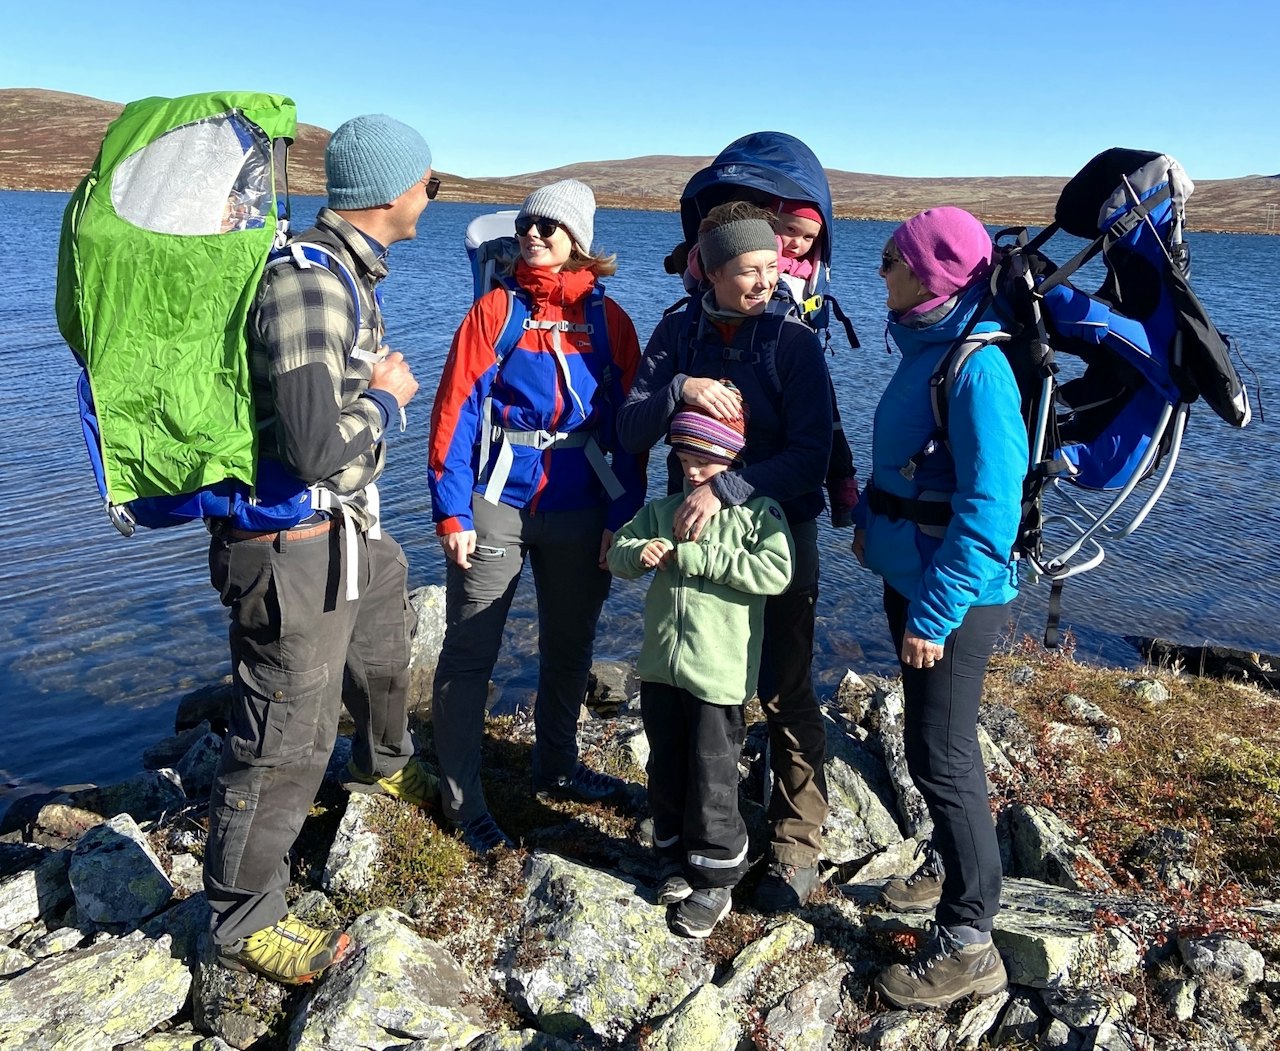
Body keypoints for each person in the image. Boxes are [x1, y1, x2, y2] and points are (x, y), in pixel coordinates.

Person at [203, 114, 438, 985]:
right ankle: (240, 915)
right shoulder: (310, 284)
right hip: (288, 543)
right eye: (429, 182)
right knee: (285, 735)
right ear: (389, 191)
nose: (431, 196)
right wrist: (388, 399)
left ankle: (383, 768)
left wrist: (370, 382)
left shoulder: (346, 273)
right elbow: (306, 445)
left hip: (343, 529)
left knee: (387, 620)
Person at [616, 201, 833, 912]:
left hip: (774, 529)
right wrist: (678, 386)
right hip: (691, 527)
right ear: (708, 269)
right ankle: (702, 832)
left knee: (783, 685)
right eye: (750, 270)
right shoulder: (678, 332)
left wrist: (732, 489)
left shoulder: (792, 343)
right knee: (695, 688)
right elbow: (630, 426)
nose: (768, 281)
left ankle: (797, 844)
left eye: (775, 266)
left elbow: (814, 453)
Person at [428, 179, 646, 854]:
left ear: (577, 239)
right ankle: (461, 799)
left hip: (583, 508)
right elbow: (456, 410)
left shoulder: (610, 323)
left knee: (570, 647)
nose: (533, 235)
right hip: (498, 504)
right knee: (470, 652)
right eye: (526, 225)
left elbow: (630, 429)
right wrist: (451, 511)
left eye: (549, 228)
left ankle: (556, 765)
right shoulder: (494, 312)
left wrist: (624, 513)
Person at [851, 206, 1026, 1010]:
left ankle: (970, 939)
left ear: (928, 276)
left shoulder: (977, 368)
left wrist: (936, 611)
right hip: (914, 575)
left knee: (942, 755)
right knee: (937, 746)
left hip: (951, 596)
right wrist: (871, 530)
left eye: (893, 258)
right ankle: (958, 869)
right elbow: (912, 464)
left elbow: (990, 510)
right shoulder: (927, 342)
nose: (881, 269)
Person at [608, 390, 793, 939]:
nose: (692, 469)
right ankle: (672, 858)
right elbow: (618, 553)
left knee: (713, 775)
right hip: (661, 673)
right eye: (684, 458)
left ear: (732, 457)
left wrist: (696, 557)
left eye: (704, 460)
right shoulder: (661, 511)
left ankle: (716, 876)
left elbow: (776, 572)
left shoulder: (760, 514)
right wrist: (633, 554)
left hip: (718, 678)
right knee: (666, 767)